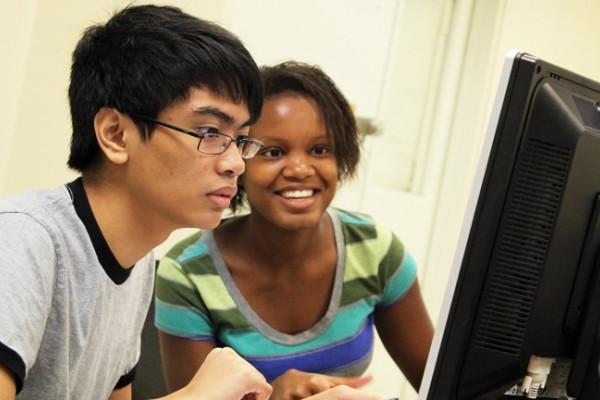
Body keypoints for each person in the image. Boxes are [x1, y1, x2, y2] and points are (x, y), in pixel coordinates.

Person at [0, 5, 377, 400]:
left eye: (241, 139)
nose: (234, 164)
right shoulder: (22, 242)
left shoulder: (137, 260)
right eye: (210, 132)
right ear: (115, 134)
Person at [155, 61, 434, 399]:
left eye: (320, 150)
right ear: (239, 161)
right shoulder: (187, 273)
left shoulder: (374, 249)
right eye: (274, 152)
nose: (301, 169)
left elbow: (445, 384)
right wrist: (273, 395)